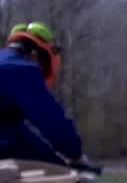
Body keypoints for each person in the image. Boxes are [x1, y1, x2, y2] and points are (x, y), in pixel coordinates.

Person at [0, 22, 91, 169]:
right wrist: (74, 153)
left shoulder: (5, 62)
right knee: (59, 170)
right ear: (35, 55)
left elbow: (18, 131)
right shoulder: (21, 69)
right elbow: (51, 120)